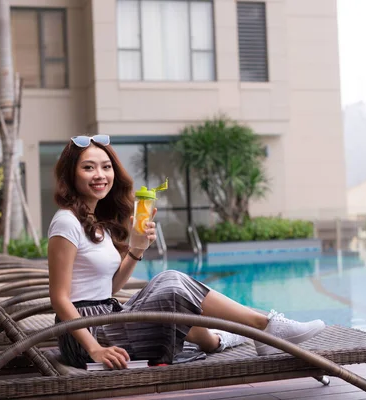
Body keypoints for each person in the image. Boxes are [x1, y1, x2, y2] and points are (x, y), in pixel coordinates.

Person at [48, 134, 325, 370]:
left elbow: (107, 288)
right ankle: (264, 327)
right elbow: (60, 299)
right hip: (85, 335)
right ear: (72, 175)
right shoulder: (66, 221)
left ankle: (228, 337)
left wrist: (135, 250)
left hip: (107, 316)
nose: (100, 175)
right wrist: (95, 349)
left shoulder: (98, 225)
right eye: (88, 168)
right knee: (172, 286)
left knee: (170, 289)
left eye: (106, 167)